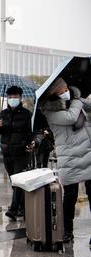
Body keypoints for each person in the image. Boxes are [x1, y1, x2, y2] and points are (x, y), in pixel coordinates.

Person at [38, 77, 91, 243]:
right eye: (62, 91)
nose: (66, 92)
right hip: (69, 159)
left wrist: (80, 99)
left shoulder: (76, 103)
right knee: (70, 197)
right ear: (54, 95)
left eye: (67, 89)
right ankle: (67, 230)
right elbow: (70, 118)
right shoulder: (50, 111)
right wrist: (77, 100)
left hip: (87, 154)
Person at [0, 86, 34, 222]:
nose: (12, 99)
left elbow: (31, 133)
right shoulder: (3, 114)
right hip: (7, 152)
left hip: (21, 153)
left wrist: (27, 143)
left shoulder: (27, 114)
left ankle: (13, 209)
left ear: (20, 98)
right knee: (14, 181)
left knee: (18, 181)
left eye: (15, 97)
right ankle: (23, 207)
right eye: (10, 97)